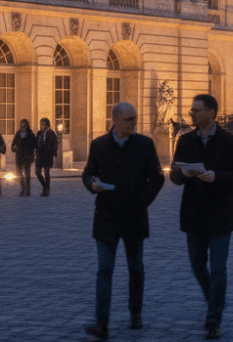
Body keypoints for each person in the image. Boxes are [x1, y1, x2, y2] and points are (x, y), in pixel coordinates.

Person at [82, 103, 165, 339]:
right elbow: (87, 172)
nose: (133, 123)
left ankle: (135, 313)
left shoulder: (144, 144)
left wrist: (143, 202)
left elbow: (157, 178)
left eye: (135, 118)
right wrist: (91, 184)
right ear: (115, 120)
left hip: (134, 216)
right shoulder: (99, 145)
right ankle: (102, 322)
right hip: (106, 217)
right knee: (105, 269)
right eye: (129, 119)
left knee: (136, 268)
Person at [170, 94, 233, 340]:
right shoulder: (185, 140)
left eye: (197, 110)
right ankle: (213, 297)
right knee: (196, 265)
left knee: (218, 269)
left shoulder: (231, 142)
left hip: (220, 214)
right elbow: (174, 175)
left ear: (212, 113)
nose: (191, 113)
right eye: (192, 110)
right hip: (193, 213)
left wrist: (218, 176)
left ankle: (213, 320)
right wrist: (183, 173)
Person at [11, 119, 36, 197]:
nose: (23, 127)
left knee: (27, 174)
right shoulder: (18, 133)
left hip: (27, 156)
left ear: (27, 125)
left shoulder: (30, 134)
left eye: (24, 125)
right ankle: (23, 187)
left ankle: (27, 190)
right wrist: (14, 148)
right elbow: (13, 144)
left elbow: (34, 145)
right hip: (19, 156)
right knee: (18, 173)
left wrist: (33, 153)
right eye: (22, 125)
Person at [35, 117, 59, 197]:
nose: (41, 125)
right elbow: (35, 143)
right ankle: (46, 187)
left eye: (43, 124)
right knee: (37, 172)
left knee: (46, 173)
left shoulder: (51, 133)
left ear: (47, 124)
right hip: (39, 155)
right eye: (41, 124)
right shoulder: (39, 133)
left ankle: (45, 190)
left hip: (47, 155)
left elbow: (55, 143)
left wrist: (54, 152)